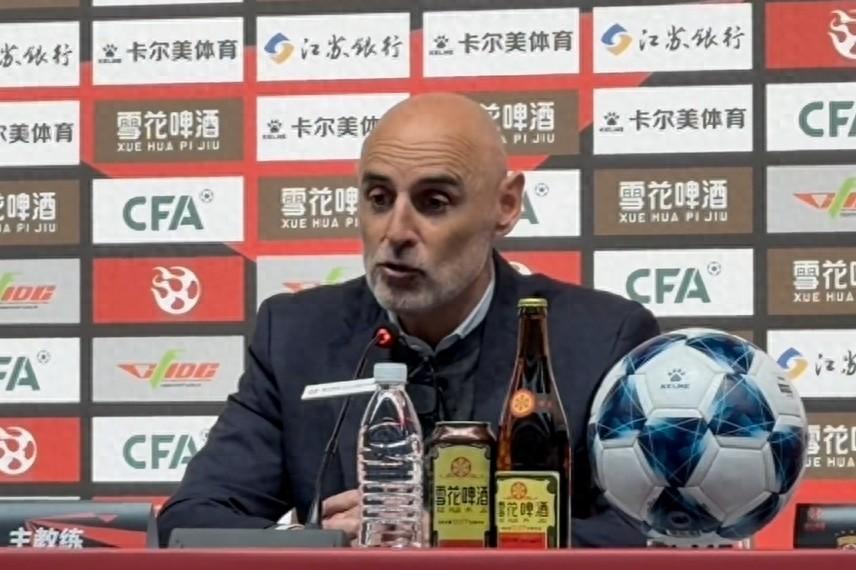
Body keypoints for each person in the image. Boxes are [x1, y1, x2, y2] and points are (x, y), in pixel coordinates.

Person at [156, 92, 660, 547]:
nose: (396, 231)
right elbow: (192, 520)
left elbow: (644, 532)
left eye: (433, 202)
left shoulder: (600, 339)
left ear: (505, 206)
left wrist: (456, 535)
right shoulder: (295, 335)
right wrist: (313, 540)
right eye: (379, 199)